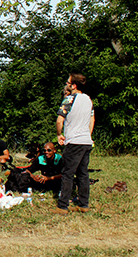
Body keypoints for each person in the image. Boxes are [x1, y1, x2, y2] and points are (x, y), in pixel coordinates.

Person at [53, 73, 95, 215]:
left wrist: (59, 135)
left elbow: (60, 120)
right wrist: (88, 136)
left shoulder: (69, 99)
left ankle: (62, 206)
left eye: (68, 82)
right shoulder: (89, 100)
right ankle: (84, 204)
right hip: (86, 141)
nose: (66, 83)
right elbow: (92, 119)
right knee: (83, 173)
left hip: (74, 141)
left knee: (67, 174)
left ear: (74, 85)